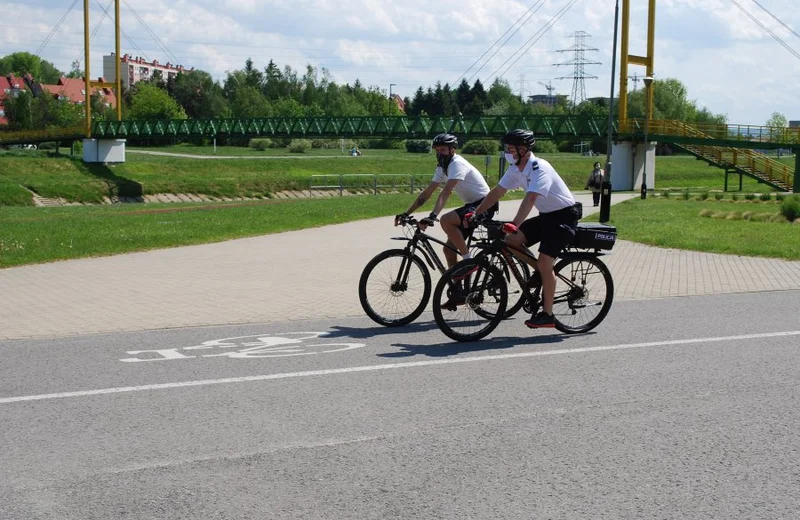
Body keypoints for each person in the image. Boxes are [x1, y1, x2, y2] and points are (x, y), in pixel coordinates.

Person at [469, 129, 582, 329]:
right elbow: (498, 191)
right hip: (547, 217)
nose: (507, 152)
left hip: (564, 218)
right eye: (506, 148)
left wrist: (515, 224)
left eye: (510, 148)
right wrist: (476, 213)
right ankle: (539, 269)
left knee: (546, 263)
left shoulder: (540, 168)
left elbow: (530, 198)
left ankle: (548, 315)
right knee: (510, 240)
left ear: (523, 149)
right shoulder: (516, 168)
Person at [395, 133, 498, 270]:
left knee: (446, 220)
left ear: (452, 150)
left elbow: (446, 191)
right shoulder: (442, 167)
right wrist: (406, 213)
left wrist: (433, 216)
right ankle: (458, 287)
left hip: (485, 204)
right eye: (437, 150)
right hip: (471, 205)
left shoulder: (457, 164)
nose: (440, 153)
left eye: (443, 150)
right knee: (448, 250)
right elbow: (427, 193)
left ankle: (469, 263)